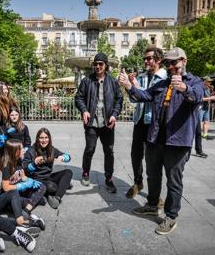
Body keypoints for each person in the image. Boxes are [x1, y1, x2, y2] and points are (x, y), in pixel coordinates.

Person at [119, 47, 203, 235]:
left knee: (174, 181)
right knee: (153, 176)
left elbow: (197, 97)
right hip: (155, 138)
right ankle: (151, 204)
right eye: (168, 63)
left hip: (178, 142)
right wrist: (129, 86)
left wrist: (183, 88)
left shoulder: (195, 82)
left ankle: (171, 216)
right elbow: (144, 95)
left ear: (184, 61)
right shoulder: (161, 84)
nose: (171, 67)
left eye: (175, 62)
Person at [74, 52, 123, 193]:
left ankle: (109, 179)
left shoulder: (113, 82)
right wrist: (84, 110)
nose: (97, 66)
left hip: (108, 123)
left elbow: (119, 100)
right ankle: (85, 172)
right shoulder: (86, 81)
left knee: (109, 151)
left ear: (106, 66)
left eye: (101, 64)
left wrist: (114, 114)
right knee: (90, 149)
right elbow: (78, 98)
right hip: (92, 122)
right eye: (95, 64)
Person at [126, 47, 167, 199]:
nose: (146, 61)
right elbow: (133, 98)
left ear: (158, 60)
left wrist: (134, 86)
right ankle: (138, 182)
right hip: (140, 120)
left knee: (153, 160)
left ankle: (154, 196)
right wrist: (130, 86)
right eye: (145, 58)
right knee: (135, 155)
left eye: (149, 58)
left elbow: (149, 96)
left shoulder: (164, 78)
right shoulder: (142, 76)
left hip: (154, 123)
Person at [22, 128, 73, 209]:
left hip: (48, 177)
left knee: (68, 172)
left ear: (49, 138)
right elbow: (24, 169)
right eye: (41, 138)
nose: (44, 140)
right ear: (37, 139)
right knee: (52, 186)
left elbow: (68, 157)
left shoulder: (52, 149)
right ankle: (60, 187)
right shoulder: (31, 151)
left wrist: (63, 157)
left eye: (46, 138)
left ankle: (56, 198)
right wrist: (34, 164)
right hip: (36, 179)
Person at [0, 139, 46, 216]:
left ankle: (30, 204)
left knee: (42, 186)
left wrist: (28, 181)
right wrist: (22, 186)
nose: (24, 150)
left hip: (20, 190)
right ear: (14, 151)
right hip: (11, 194)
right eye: (21, 149)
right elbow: (5, 188)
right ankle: (27, 209)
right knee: (34, 200)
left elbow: (23, 176)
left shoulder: (18, 160)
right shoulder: (6, 167)